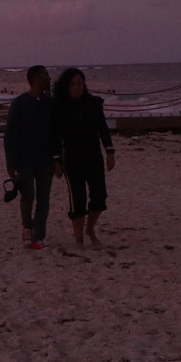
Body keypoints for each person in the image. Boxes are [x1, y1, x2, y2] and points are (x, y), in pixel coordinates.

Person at [52, 68, 115, 249]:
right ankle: (79, 239)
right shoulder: (60, 108)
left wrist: (110, 152)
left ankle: (90, 229)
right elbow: (55, 136)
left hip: (94, 156)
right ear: (66, 87)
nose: (77, 87)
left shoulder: (94, 104)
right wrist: (56, 160)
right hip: (71, 158)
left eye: (80, 83)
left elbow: (103, 129)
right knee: (77, 200)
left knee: (99, 196)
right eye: (73, 84)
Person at [3, 65, 61, 250]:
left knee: (44, 199)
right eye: (46, 75)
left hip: (46, 160)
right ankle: (27, 225)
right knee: (28, 197)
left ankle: (38, 237)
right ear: (36, 77)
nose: (49, 79)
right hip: (25, 160)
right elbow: (10, 133)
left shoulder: (50, 103)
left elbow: (56, 134)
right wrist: (11, 162)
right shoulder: (20, 103)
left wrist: (58, 159)